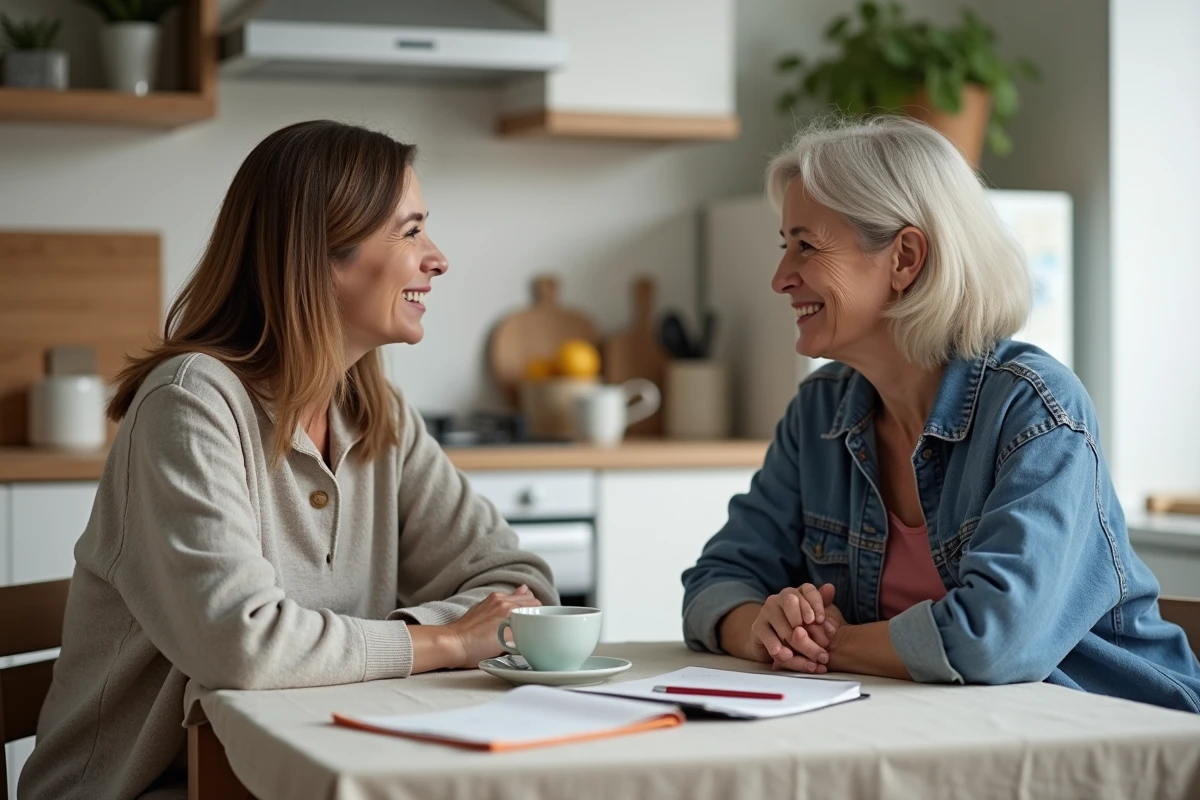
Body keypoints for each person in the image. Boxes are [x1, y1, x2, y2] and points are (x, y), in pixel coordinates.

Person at [20, 120, 558, 800]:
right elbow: (241, 644)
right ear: (323, 252)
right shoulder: (189, 406)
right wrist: (450, 642)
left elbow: (523, 588)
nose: (438, 258)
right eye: (412, 230)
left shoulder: (375, 411)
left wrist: (422, 632)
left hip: (308, 767)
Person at [682, 116, 1200, 712]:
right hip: (950, 735)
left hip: (1118, 744)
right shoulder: (818, 412)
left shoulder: (1037, 412)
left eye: (806, 245)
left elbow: (994, 641)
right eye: (785, 246)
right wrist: (764, 628)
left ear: (904, 257)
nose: (780, 277)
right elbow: (715, 582)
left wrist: (826, 642)